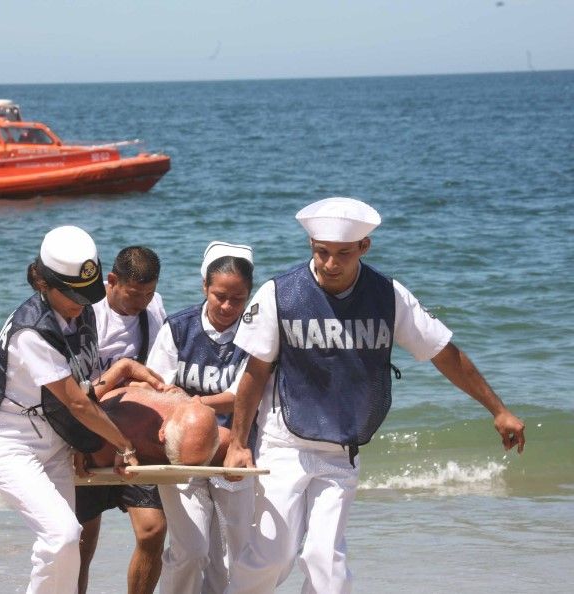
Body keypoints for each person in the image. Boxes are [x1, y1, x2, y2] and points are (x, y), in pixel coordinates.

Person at [223, 197, 527, 594]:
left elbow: (443, 352)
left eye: (343, 254)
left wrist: (498, 410)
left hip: (342, 449)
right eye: (322, 252)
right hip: (284, 443)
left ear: (364, 246)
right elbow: (255, 372)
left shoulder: (388, 295)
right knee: (271, 557)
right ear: (311, 245)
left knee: (325, 561)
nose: (331, 264)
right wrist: (237, 443)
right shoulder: (278, 293)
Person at [0, 225, 165, 594]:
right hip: (10, 443)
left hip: (56, 440)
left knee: (68, 547)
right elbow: (76, 401)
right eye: (73, 295)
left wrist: (80, 443)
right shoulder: (31, 332)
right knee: (61, 536)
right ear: (43, 283)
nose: (81, 303)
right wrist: (124, 447)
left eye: (86, 294)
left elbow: (88, 386)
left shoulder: (83, 312)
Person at [146, 241, 256, 594]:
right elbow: (156, 388)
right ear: (204, 287)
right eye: (219, 295)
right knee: (190, 551)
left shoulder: (257, 333)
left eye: (237, 299)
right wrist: (192, 411)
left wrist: (193, 404)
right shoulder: (178, 328)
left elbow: (240, 397)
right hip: (181, 453)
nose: (227, 306)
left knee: (229, 559)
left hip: (233, 452)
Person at [76, 246, 169, 594]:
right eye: (134, 294)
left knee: (153, 530)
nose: (142, 302)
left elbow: (158, 375)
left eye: (149, 293)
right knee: (80, 541)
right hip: (88, 436)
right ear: (111, 281)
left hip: (135, 438)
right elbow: (73, 392)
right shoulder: (84, 312)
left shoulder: (155, 309)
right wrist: (122, 372)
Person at [81, 385, 225, 470]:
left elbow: (81, 406)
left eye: (191, 403)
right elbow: (80, 405)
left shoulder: (214, 440)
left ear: (162, 432)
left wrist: (124, 367)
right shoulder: (125, 423)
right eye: (194, 403)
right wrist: (124, 368)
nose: (196, 397)